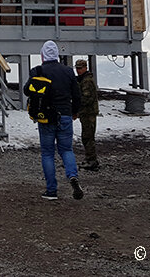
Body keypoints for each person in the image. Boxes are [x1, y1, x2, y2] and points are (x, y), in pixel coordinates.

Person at [28, 40, 83, 200]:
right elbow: (76, 95)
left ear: (43, 55)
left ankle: (51, 190)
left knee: (47, 153)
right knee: (67, 150)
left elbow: (29, 91)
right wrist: (74, 112)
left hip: (46, 117)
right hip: (65, 114)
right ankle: (72, 176)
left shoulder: (38, 71)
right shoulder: (68, 71)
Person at [76, 58, 100, 170]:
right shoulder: (84, 79)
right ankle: (90, 158)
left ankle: (91, 160)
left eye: (80, 68)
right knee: (87, 136)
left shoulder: (86, 81)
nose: (78, 70)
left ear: (85, 68)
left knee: (88, 136)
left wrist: (77, 107)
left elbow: (86, 98)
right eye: (77, 68)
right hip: (87, 113)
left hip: (88, 113)